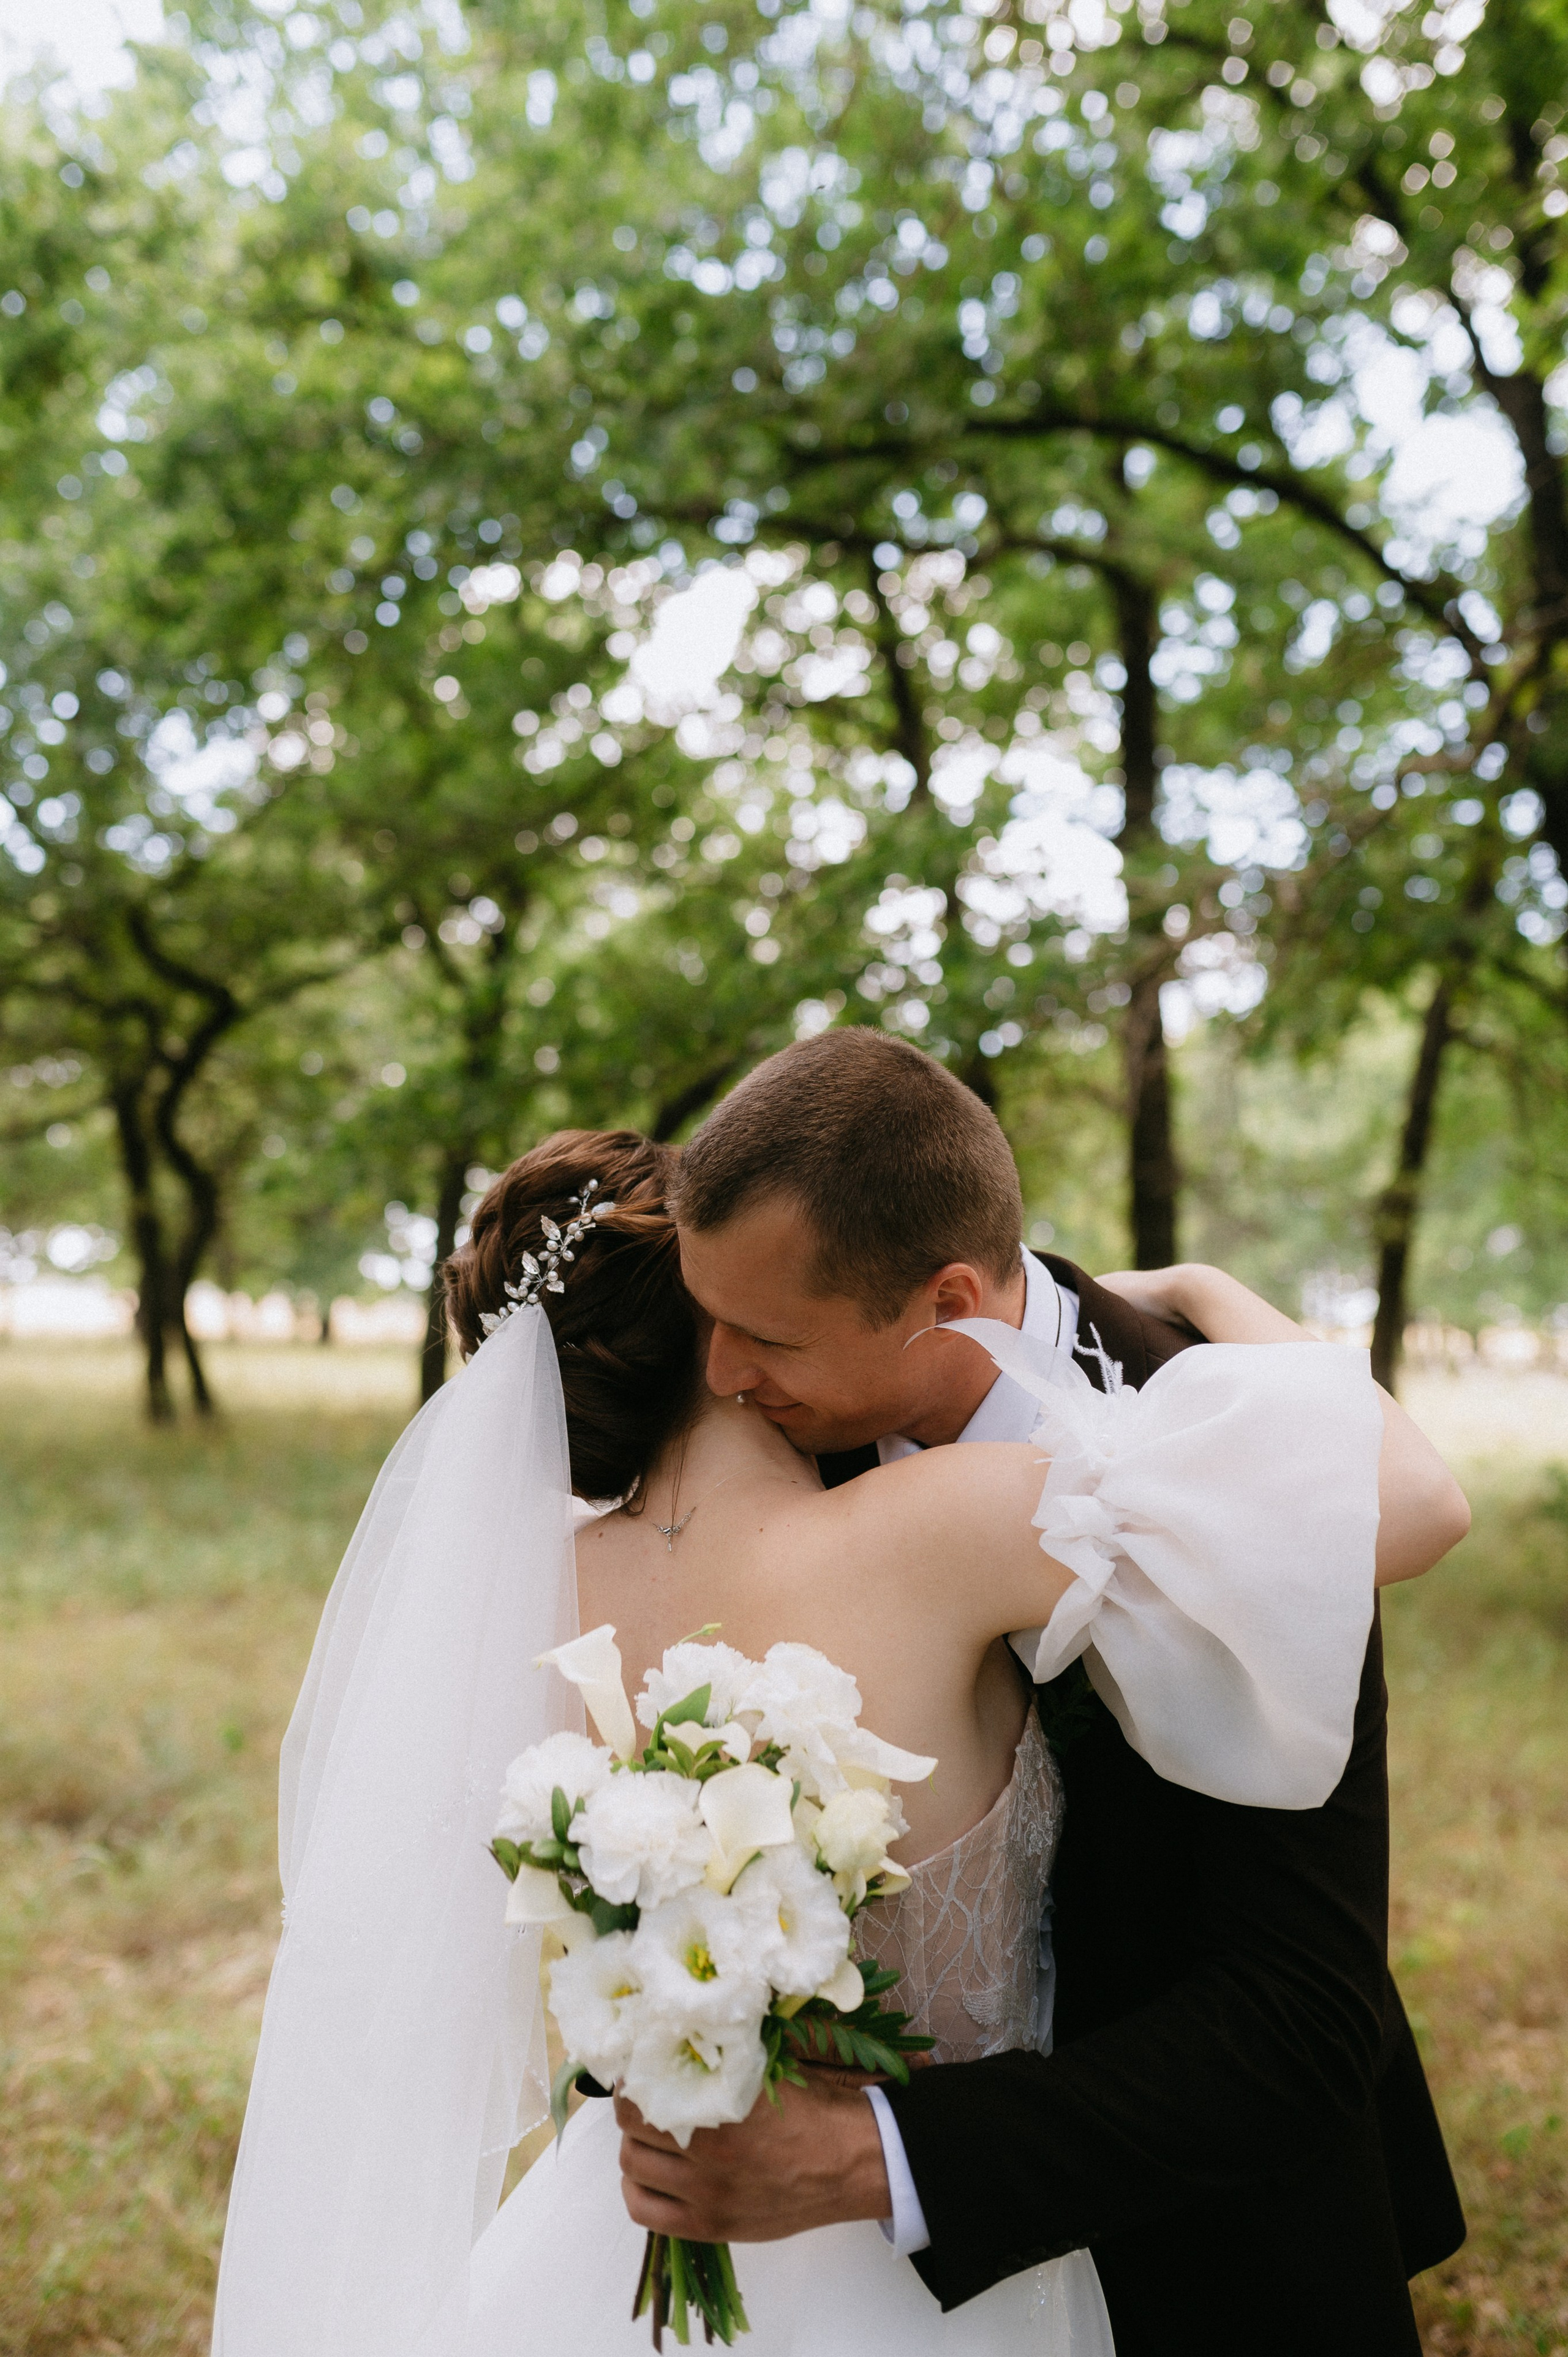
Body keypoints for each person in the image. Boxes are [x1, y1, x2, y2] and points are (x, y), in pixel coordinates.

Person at [209, 1046, 1466, 2357]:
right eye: (704, 1320)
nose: (723, 1366)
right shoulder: (794, 1438)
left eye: (760, 1337)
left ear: (943, 1303)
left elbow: (1302, 2013)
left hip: (1207, 2249)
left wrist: (874, 2155)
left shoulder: (1215, 1441)